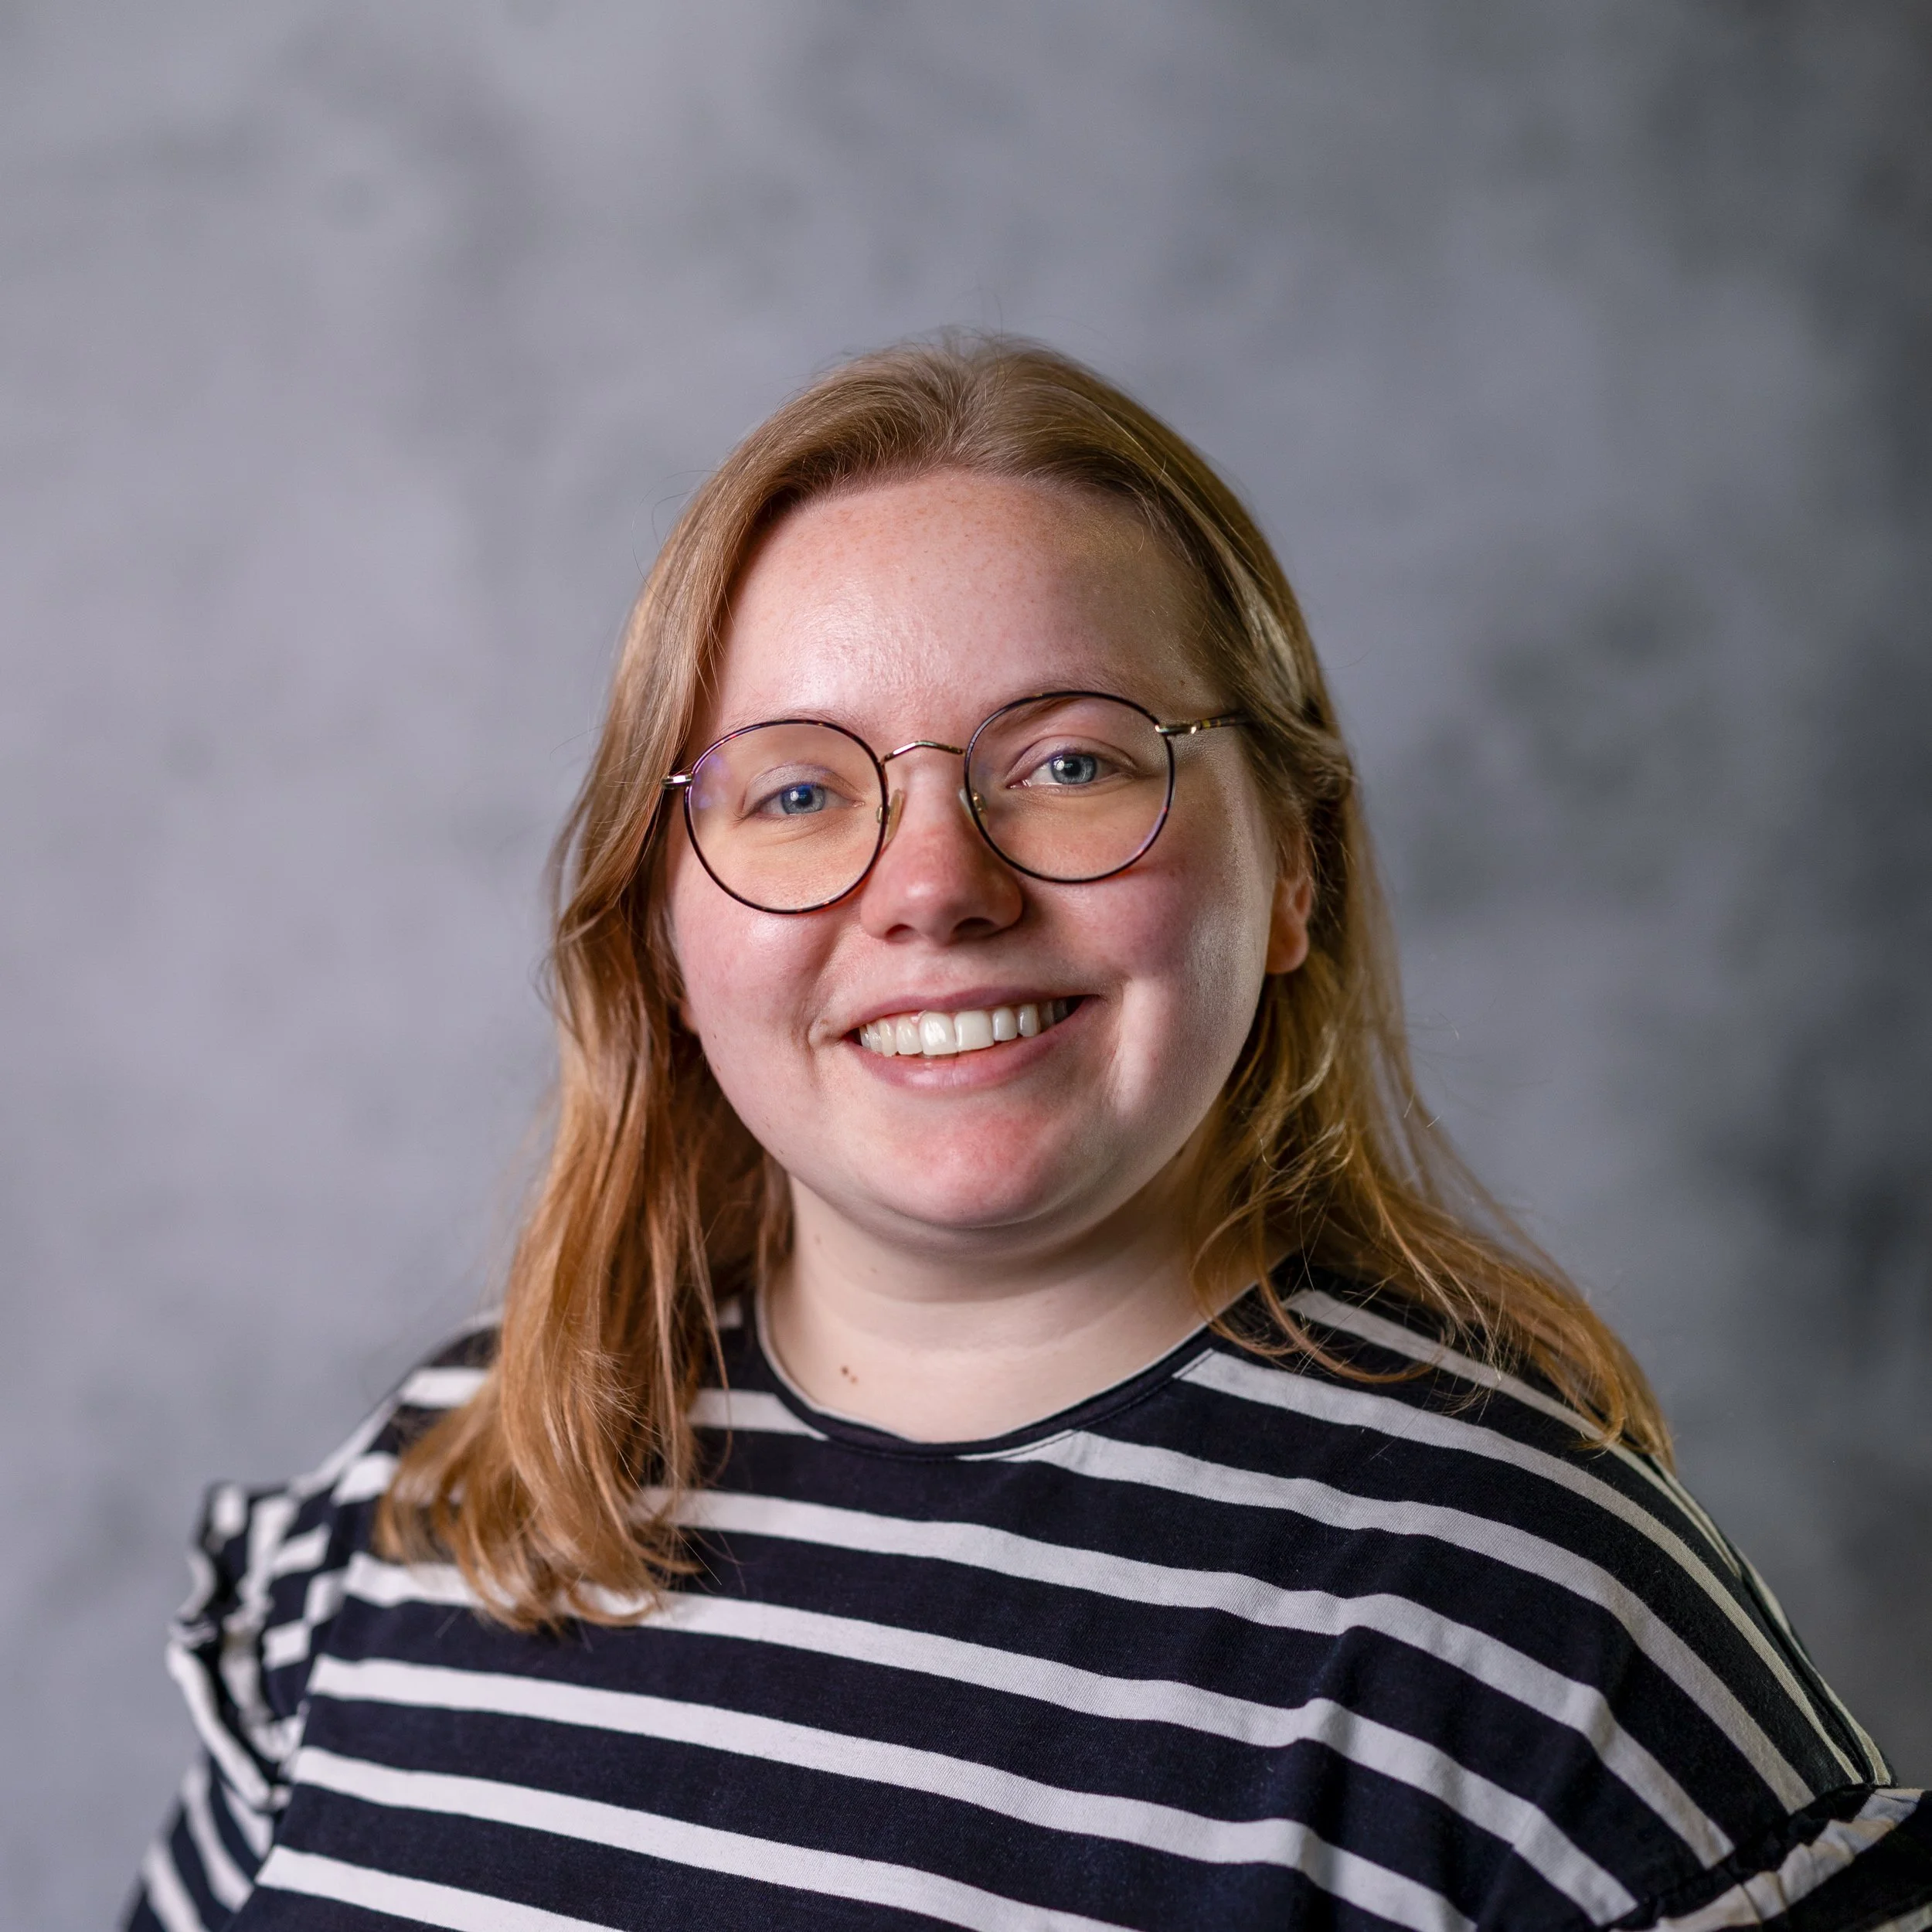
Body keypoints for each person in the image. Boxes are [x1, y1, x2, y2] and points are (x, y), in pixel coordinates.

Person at [127, 338, 1930, 1932]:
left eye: (1069, 762)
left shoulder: (1548, 1639)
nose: (932, 886)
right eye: (798, 789)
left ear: (1291, 868)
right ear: (664, 930)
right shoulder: (437, 1491)